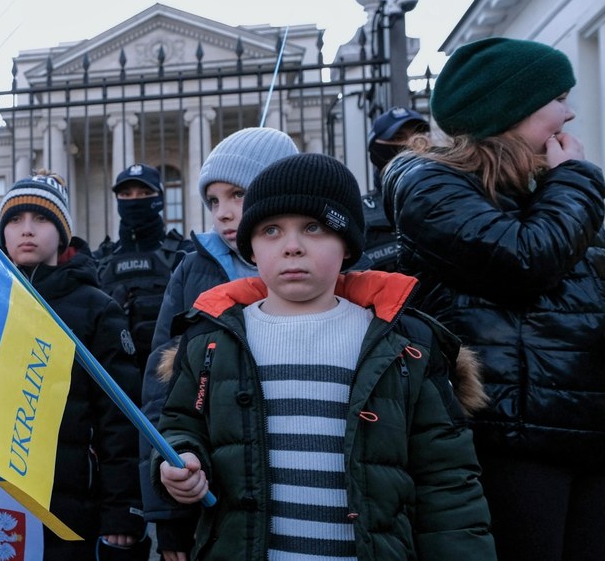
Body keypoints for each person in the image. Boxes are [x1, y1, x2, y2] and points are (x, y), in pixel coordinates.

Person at [154, 152, 495, 560]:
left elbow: (448, 483)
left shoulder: (404, 343)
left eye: (313, 228)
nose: (292, 247)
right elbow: (181, 424)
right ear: (251, 247)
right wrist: (182, 463)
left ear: (347, 244)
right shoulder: (209, 340)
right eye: (271, 230)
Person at [383, 37, 605, 561]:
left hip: (584, 429)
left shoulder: (550, 186)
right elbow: (524, 259)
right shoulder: (432, 185)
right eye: (556, 98)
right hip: (510, 439)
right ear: (512, 110)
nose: (568, 112)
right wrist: (574, 180)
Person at [140, 126, 297, 560]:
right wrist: (167, 515)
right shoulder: (192, 272)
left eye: (238, 195)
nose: (223, 213)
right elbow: (161, 397)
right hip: (212, 496)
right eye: (213, 201)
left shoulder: (314, 270)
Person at [0, 173, 147, 560]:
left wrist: (122, 511)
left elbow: (121, 419)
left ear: (62, 232)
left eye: (41, 219)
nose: (26, 230)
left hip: (72, 509)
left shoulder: (98, 308)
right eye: (14, 220)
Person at [95, 164, 189, 371]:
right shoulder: (99, 262)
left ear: (159, 198)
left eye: (145, 193)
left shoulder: (185, 256)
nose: (135, 200)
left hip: (171, 378)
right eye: (126, 194)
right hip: (115, 381)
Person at [362, 108, 429, 272]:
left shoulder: (448, 198)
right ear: (377, 149)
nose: (411, 144)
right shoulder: (361, 213)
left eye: (417, 136)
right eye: (398, 137)